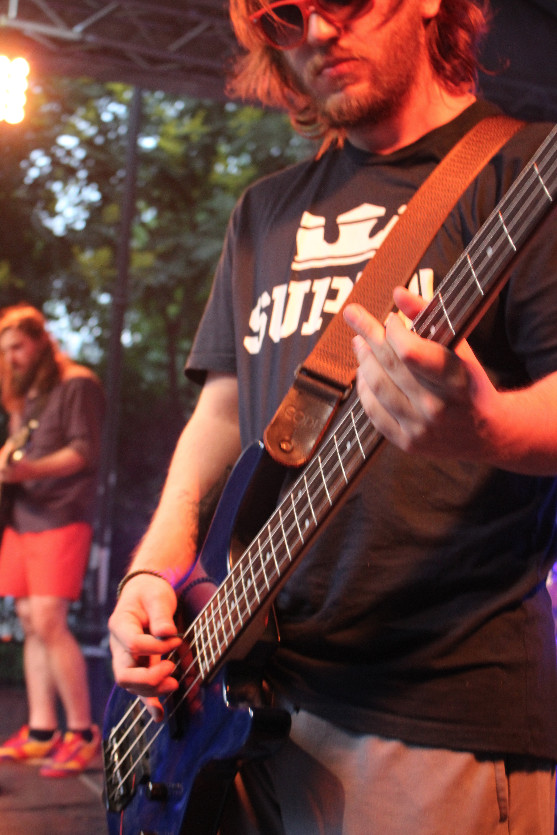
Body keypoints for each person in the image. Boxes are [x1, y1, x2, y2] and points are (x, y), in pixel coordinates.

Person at [108, 0, 557, 831]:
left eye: (343, 2)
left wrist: (485, 427)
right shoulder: (263, 210)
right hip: (235, 699)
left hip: (429, 712)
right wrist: (152, 569)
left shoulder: (524, 174)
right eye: (284, 15)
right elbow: (218, 418)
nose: (315, 32)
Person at [0, 304, 105, 778]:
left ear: (41, 340)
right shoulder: (33, 393)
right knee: (26, 617)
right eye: (3, 350)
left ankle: (82, 734)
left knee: (48, 618)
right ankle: (43, 731)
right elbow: (20, 446)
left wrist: (27, 471)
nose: (11, 357)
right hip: (24, 517)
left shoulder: (76, 382)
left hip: (62, 514)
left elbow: (85, 452)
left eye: (17, 347)